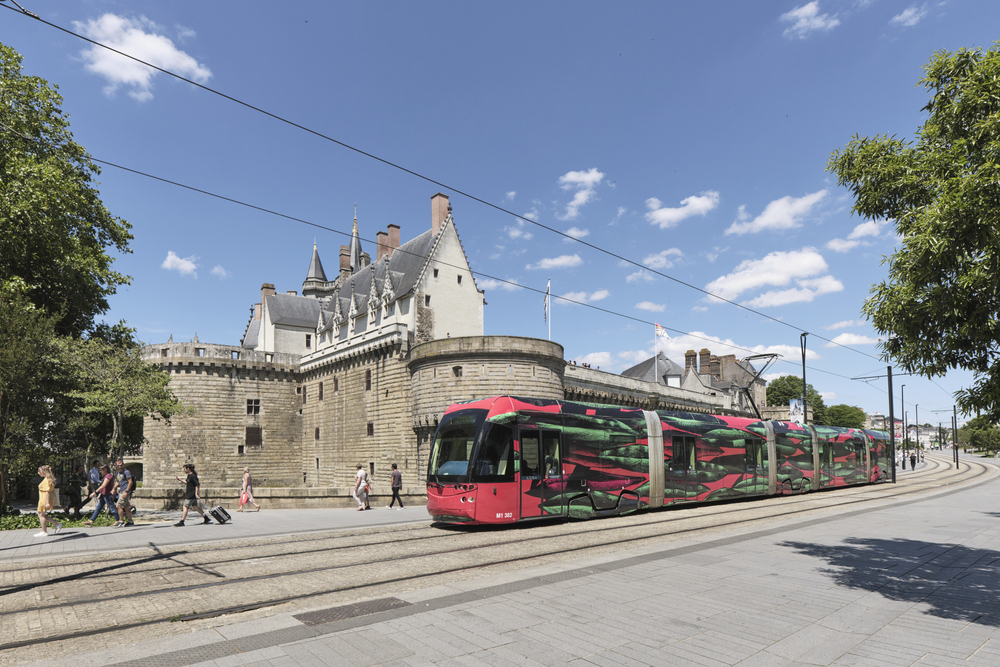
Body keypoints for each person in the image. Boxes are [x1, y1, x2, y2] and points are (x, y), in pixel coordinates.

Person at [34, 465, 63, 537]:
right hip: (44, 499)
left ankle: (44, 531)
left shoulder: (46, 480)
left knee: (41, 514)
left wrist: (47, 502)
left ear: (44, 472)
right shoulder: (48, 479)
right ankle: (57, 525)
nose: (38, 473)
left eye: (39, 471)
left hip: (44, 499)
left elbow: (47, 491)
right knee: (42, 515)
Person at [112, 458, 136, 528]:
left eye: (121, 465)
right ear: (116, 465)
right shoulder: (118, 473)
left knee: (118, 506)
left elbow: (130, 482)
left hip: (125, 491)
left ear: (123, 465)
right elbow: (117, 481)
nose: (120, 467)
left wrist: (126, 491)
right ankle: (130, 521)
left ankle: (121, 521)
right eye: (118, 465)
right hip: (121, 491)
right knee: (126, 507)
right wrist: (114, 489)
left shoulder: (126, 472)